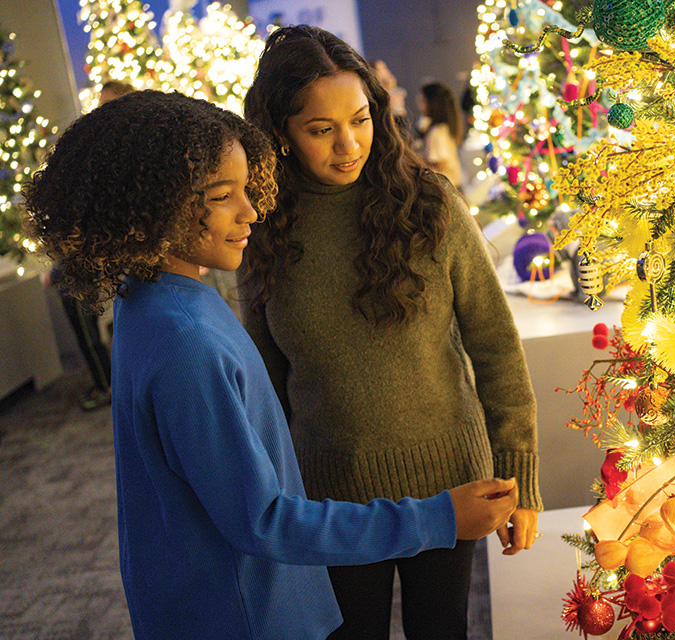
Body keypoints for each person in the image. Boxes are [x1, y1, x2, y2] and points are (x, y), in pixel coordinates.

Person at [23, 89, 519, 640]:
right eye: (220, 197)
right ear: (153, 204)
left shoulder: (152, 299)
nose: (250, 212)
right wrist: (439, 518)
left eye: (245, 190)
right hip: (245, 611)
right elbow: (263, 519)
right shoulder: (187, 343)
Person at [241, 25, 542, 640]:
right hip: (332, 498)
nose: (348, 144)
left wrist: (520, 477)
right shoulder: (263, 229)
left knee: (441, 632)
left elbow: (495, 345)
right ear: (281, 135)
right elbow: (265, 379)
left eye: (360, 119)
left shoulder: (429, 204)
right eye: (321, 130)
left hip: (450, 483)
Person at [41, 80, 135, 411]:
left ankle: (108, 385)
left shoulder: (127, 153)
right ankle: (109, 383)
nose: (99, 110)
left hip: (109, 256)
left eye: (107, 103)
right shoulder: (99, 149)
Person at [416, 80, 465, 189]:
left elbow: (439, 162)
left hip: (447, 188)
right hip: (452, 186)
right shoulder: (443, 128)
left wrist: (414, 159)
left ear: (433, 103)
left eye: (422, 102)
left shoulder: (437, 131)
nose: (420, 107)